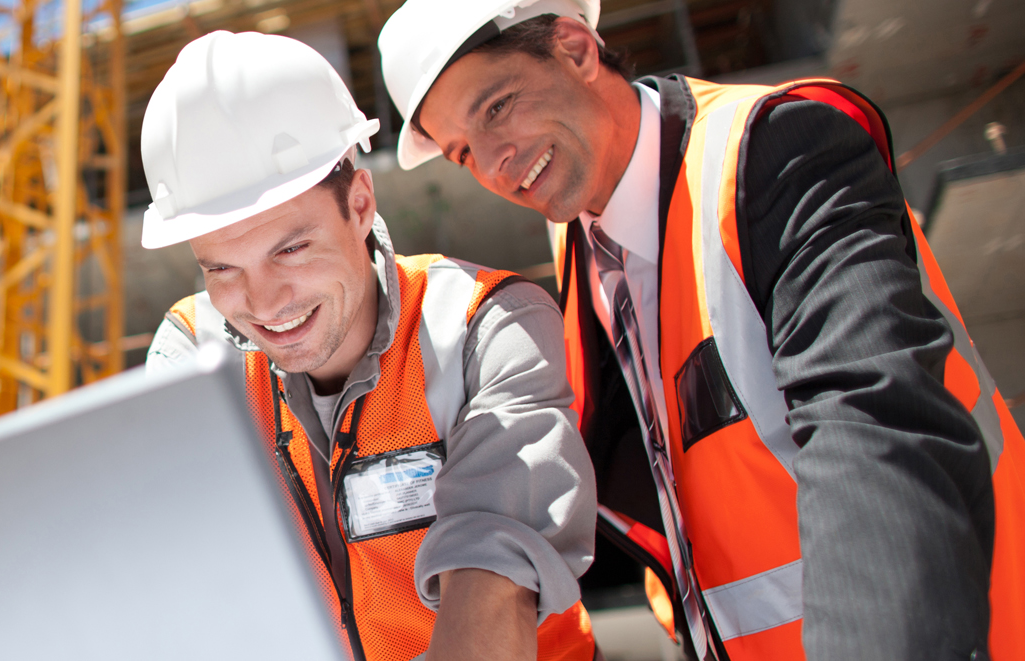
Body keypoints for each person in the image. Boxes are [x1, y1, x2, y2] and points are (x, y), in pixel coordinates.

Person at [376, 1, 1025, 660]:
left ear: (574, 48)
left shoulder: (773, 149)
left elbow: (875, 430)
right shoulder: (581, 242)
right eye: (462, 153)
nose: (493, 164)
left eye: (495, 108)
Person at [139, 30, 600, 661]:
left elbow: (493, 572)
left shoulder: (483, 324)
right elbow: (172, 568)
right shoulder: (194, 353)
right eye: (222, 270)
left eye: (291, 249)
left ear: (359, 206)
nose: (266, 303)